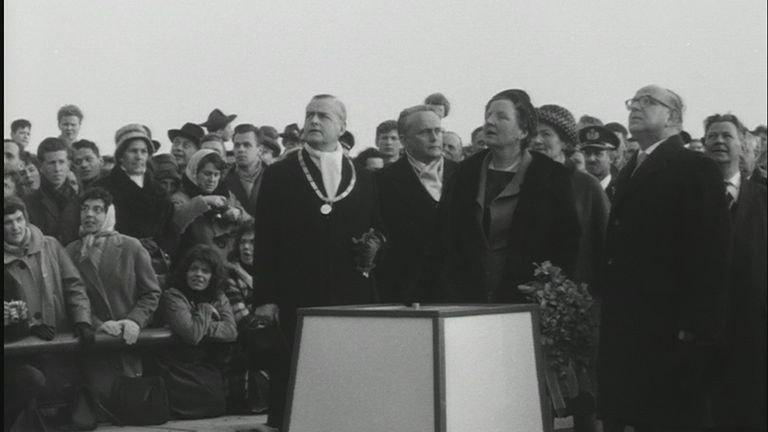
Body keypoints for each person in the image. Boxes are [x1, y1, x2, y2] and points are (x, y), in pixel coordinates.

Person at [597, 85, 730, 431]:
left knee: (669, 417)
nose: (635, 108)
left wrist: (696, 325)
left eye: (647, 102)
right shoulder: (634, 165)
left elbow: (710, 251)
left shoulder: (693, 166)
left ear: (672, 117)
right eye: (633, 102)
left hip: (670, 328)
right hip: (632, 323)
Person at [252, 94, 382, 429]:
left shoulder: (364, 177)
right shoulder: (280, 174)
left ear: (342, 125)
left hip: (349, 292)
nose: (313, 121)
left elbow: (377, 230)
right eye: (309, 114)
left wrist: (375, 248)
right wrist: (265, 298)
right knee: (297, 376)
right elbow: (264, 237)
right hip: (297, 292)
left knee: (347, 372)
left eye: (323, 116)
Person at [440, 89, 580, 304]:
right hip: (466, 301)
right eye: (488, 115)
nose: (490, 122)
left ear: (523, 131)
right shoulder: (464, 172)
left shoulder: (551, 176)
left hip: (524, 299)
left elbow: (567, 240)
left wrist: (546, 285)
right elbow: (444, 236)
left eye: (501, 117)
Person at [4, 196, 95, 430]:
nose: (14, 227)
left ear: (26, 219)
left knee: (59, 398)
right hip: (16, 347)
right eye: (7, 222)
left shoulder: (50, 245)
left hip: (56, 337)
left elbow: (73, 286)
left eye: (18, 219)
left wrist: (82, 320)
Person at [64, 187, 161, 404]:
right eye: (85, 208)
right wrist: (97, 324)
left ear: (109, 213)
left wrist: (135, 320)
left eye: (97, 209)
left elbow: (151, 292)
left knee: (131, 405)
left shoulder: (130, 247)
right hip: (94, 346)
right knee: (101, 407)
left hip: (128, 343)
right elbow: (69, 298)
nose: (89, 214)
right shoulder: (71, 251)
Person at [702, 113, 767, 430]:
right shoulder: (689, 198)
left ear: (743, 145)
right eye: (711, 136)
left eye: (726, 135)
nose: (718, 141)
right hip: (702, 331)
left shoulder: (763, 199)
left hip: (753, 331)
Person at [376, 105, 457, 303]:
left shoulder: (464, 175)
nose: (435, 137)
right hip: (404, 295)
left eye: (438, 131)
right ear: (404, 140)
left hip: (458, 294)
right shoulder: (381, 182)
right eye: (425, 132)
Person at [153, 245, 237, 420]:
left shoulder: (218, 295)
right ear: (185, 271)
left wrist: (200, 320)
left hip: (202, 362)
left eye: (205, 271)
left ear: (212, 277)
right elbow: (191, 335)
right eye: (194, 269)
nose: (199, 274)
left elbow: (231, 331)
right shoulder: (173, 295)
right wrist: (206, 311)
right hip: (175, 363)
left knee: (216, 401)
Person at [534, 105, 609, 289]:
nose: (536, 140)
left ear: (565, 143)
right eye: (532, 134)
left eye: (546, 134)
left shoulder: (587, 186)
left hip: (576, 296)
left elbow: (607, 248)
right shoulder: (521, 182)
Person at [95, 124, 179, 274]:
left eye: (144, 151)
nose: (139, 156)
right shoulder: (103, 189)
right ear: (121, 155)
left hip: (154, 266)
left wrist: (160, 250)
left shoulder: (159, 191)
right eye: (133, 151)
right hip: (118, 265)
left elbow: (170, 230)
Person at [172, 149, 249, 263]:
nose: (212, 180)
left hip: (230, 263)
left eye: (216, 174)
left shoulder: (226, 194)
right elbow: (176, 223)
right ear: (194, 173)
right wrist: (204, 201)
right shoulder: (180, 198)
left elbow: (250, 220)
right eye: (207, 174)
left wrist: (238, 213)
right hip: (198, 265)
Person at [24, 137, 80, 246]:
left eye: (61, 162)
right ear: (41, 166)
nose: (57, 168)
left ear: (68, 164)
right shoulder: (28, 203)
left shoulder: (81, 200)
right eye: (51, 163)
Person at [223, 124, 265, 218]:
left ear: (260, 150)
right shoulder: (223, 178)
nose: (241, 149)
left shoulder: (275, 177)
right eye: (237, 145)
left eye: (247, 145)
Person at [581, 126, 620, 202]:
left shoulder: (620, 191)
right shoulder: (577, 189)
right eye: (588, 153)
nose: (591, 159)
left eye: (598, 153)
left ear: (611, 158)